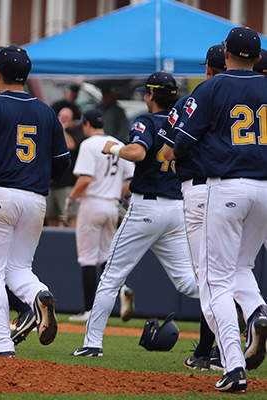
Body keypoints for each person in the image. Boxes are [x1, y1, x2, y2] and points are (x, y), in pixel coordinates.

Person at [70, 72, 200, 360]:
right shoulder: (185, 121)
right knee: (189, 283)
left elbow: (138, 153)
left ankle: (92, 343)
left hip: (147, 208)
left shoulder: (146, 120)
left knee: (111, 278)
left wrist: (114, 147)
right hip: (176, 208)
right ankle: (240, 303)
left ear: (151, 95)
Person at [0, 45, 70, 356]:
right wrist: (36, 177)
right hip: (33, 198)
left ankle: (2, 345)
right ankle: (40, 294)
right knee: (18, 268)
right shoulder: (46, 111)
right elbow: (62, 163)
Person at [168, 27, 267, 393]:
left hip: (226, 186)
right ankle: (257, 311)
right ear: (258, 58)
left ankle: (233, 365)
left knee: (214, 282)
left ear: (225, 54)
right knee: (241, 267)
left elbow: (180, 145)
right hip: (265, 189)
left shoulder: (211, 87)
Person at [158, 44, 228, 372]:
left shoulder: (198, 97)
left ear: (211, 68)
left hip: (203, 191)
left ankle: (212, 351)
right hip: (246, 187)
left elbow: (170, 149)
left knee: (210, 278)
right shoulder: (252, 94)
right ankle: (212, 346)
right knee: (235, 273)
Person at [66, 109, 134, 322]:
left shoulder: (88, 144)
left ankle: (88, 310)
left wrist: (71, 198)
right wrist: (114, 196)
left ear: (86, 124)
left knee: (87, 258)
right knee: (105, 256)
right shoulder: (116, 143)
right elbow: (130, 180)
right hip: (111, 204)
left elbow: (85, 179)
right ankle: (122, 289)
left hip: (92, 203)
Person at [45, 107, 84, 227]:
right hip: (51, 182)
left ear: (72, 121)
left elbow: (70, 145)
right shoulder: (50, 132)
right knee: (50, 215)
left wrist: (61, 129)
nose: (61, 119)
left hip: (67, 183)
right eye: (60, 117)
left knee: (71, 215)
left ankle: (71, 241)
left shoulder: (76, 134)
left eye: (65, 118)